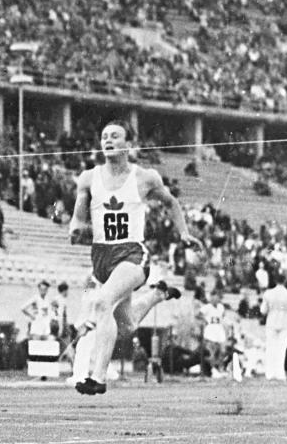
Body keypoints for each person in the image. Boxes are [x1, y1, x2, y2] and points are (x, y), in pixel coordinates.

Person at [69, 120, 201, 395]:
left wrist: (184, 233)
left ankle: (97, 377)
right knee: (126, 325)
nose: (108, 140)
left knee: (103, 301)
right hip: (101, 256)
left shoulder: (145, 177)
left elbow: (171, 202)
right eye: (104, 136)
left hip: (132, 254)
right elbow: (78, 218)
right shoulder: (89, 178)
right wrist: (75, 229)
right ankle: (157, 295)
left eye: (115, 136)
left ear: (128, 144)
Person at [260, 271, 287, 381]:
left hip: (272, 321)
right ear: (284, 281)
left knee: (271, 348)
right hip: (285, 322)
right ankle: (280, 373)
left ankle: (270, 373)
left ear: (275, 281)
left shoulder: (268, 293)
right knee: (281, 349)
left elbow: (263, 310)